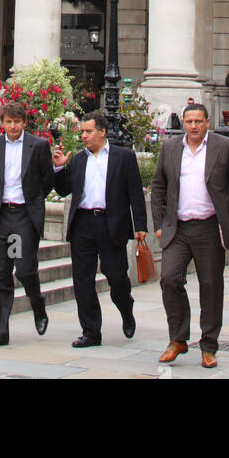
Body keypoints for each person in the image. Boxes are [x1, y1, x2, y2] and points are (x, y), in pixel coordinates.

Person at [151, 102, 229, 369]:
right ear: (182, 123)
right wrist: (159, 223)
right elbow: (158, 186)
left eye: (198, 121)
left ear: (207, 123)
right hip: (178, 228)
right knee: (169, 279)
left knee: (211, 287)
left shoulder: (224, 147)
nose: (193, 126)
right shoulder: (171, 148)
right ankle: (178, 339)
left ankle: (208, 346)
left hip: (209, 227)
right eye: (189, 121)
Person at [52, 111, 147, 348]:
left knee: (116, 276)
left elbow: (135, 194)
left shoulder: (123, 157)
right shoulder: (78, 159)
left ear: (102, 132)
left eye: (89, 131)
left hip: (110, 224)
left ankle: (126, 308)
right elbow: (63, 190)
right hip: (82, 224)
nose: (84, 136)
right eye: (82, 131)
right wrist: (58, 168)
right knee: (82, 281)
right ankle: (91, 332)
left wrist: (141, 227)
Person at [0, 101, 56, 348]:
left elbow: (47, 181)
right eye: (8, 122)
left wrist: (32, 201)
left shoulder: (38, 146)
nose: (12, 127)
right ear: (2, 123)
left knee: (23, 269)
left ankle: (37, 303)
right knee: (1, 273)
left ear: (24, 123)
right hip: (2, 216)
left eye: (17, 122)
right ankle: (0, 330)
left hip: (24, 217)